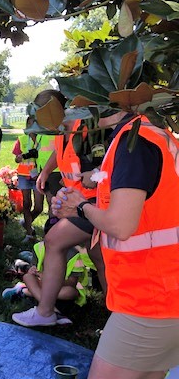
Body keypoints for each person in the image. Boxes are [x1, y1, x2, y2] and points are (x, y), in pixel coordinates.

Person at [51, 111, 179, 377]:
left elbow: (121, 225)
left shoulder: (135, 141)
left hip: (151, 299)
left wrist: (81, 207)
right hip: (161, 293)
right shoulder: (145, 133)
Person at [12, 90, 109, 328]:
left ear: (54, 109)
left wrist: (94, 176)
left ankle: (45, 312)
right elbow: (60, 151)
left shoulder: (86, 127)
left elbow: (106, 163)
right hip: (77, 203)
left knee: (54, 240)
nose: (39, 120)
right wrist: (45, 172)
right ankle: (116, 314)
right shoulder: (61, 129)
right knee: (100, 259)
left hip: (93, 204)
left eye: (41, 113)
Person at [13, 117, 44, 241]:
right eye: (30, 124)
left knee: (39, 207)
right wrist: (20, 157)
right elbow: (16, 158)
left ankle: (26, 222)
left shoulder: (43, 138)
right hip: (24, 174)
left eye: (36, 124)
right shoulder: (21, 139)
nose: (33, 127)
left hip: (38, 175)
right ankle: (29, 233)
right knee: (26, 203)